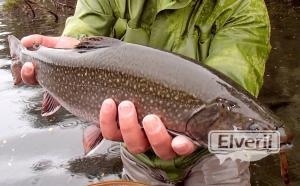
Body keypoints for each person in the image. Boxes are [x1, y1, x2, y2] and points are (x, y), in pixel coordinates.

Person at [20, 0, 271, 185]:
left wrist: (247, 134)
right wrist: (71, 45)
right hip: (136, 155)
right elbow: (84, 26)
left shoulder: (243, 7)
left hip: (217, 159)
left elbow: (232, 83)